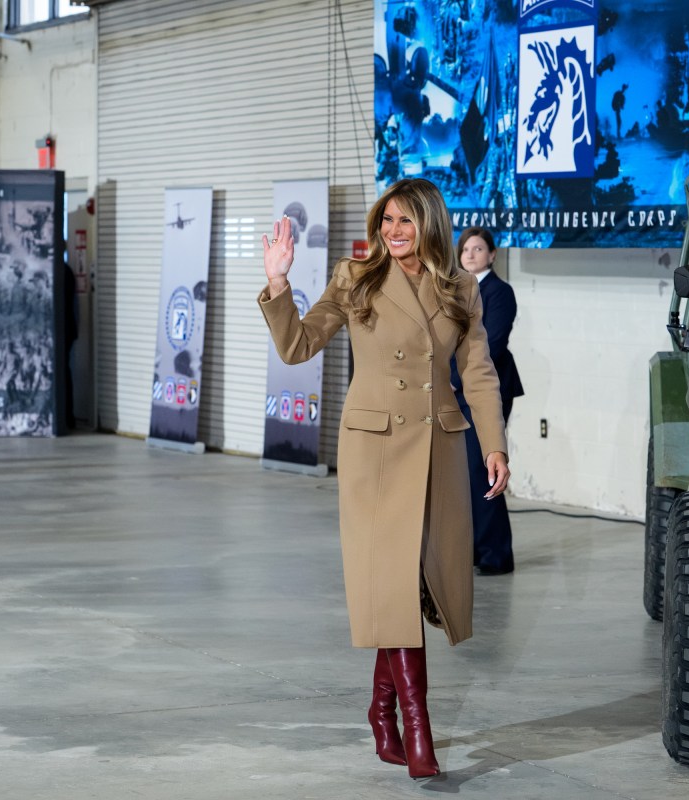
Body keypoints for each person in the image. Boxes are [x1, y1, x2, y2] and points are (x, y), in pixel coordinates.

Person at [258, 178, 510, 780]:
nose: (393, 232)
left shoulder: (460, 288)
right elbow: (297, 345)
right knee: (390, 583)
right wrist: (277, 282)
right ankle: (417, 728)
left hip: (439, 448)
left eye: (404, 221)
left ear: (429, 224)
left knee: (415, 585)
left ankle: (380, 707)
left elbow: (478, 374)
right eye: (386, 221)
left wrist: (495, 446)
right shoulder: (356, 278)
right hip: (375, 451)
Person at [453, 227, 524, 575]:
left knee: (484, 470)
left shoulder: (499, 292)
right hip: (457, 390)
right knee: (465, 473)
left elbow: (490, 345)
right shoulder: (454, 291)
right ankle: (474, 549)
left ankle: (496, 555)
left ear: (492, 255)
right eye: (465, 248)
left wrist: (451, 378)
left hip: (487, 389)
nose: (470, 254)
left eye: (478, 248)